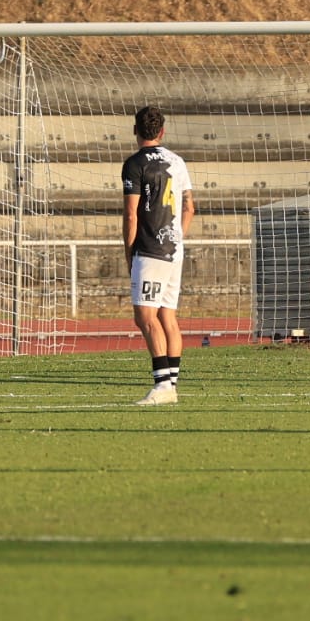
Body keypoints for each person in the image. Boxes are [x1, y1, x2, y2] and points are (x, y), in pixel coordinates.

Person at [121, 105, 197, 407]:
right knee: (167, 316)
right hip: (174, 249)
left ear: (135, 130)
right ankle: (172, 383)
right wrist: (176, 236)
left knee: (145, 316)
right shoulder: (177, 161)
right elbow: (190, 207)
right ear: (162, 131)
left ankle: (163, 384)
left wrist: (130, 252)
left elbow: (131, 214)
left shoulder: (135, 164)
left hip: (150, 249)